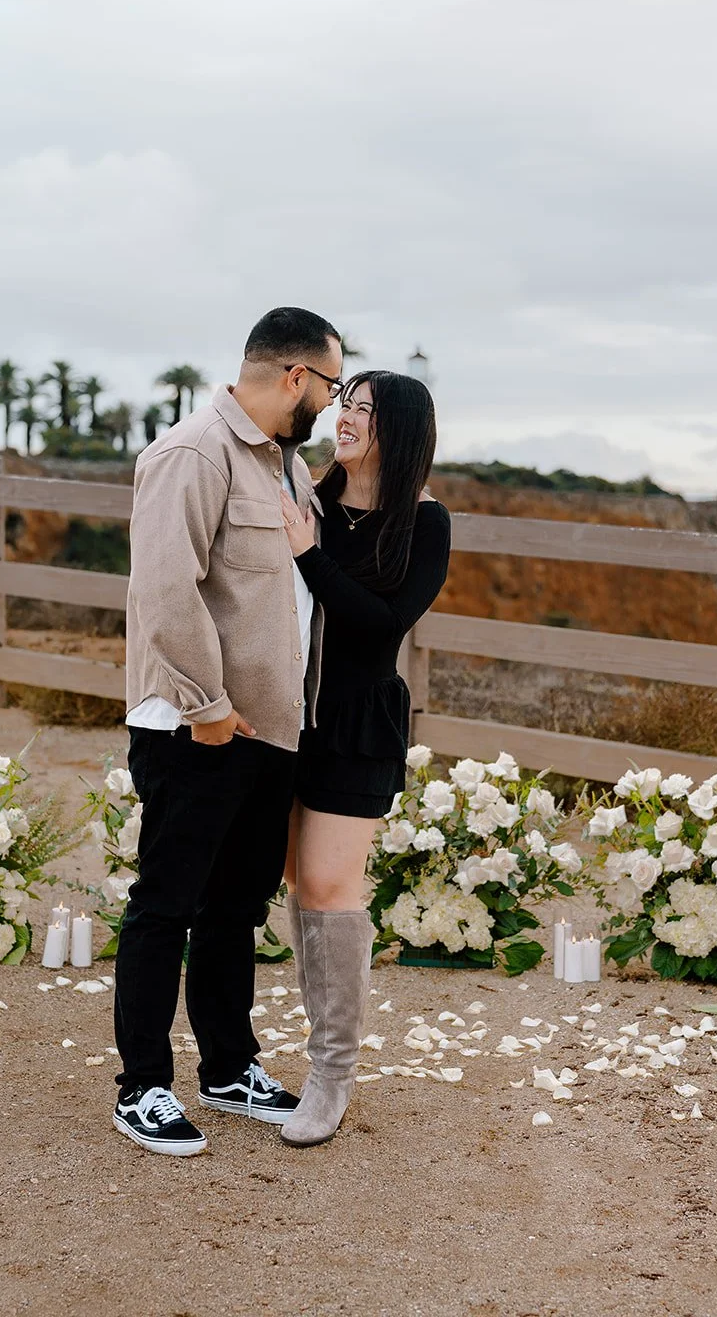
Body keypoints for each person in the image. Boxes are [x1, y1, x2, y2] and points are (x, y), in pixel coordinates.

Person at [112, 307, 344, 1156]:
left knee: (233, 910)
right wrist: (207, 707)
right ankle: (141, 1088)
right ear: (294, 377)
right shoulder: (190, 453)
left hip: (270, 729)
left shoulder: (287, 468)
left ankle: (226, 1068)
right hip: (199, 726)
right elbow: (165, 590)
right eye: (329, 383)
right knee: (165, 906)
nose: (331, 399)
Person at [278, 370, 451, 1146]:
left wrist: (309, 554)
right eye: (343, 403)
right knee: (295, 882)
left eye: (363, 410)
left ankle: (331, 1073)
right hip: (285, 710)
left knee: (328, 884)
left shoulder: (423, 520)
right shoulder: (306, 496)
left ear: (401, 429)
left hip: (357, 720)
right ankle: (313, 1054)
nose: (343, 418)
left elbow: (383, 621)